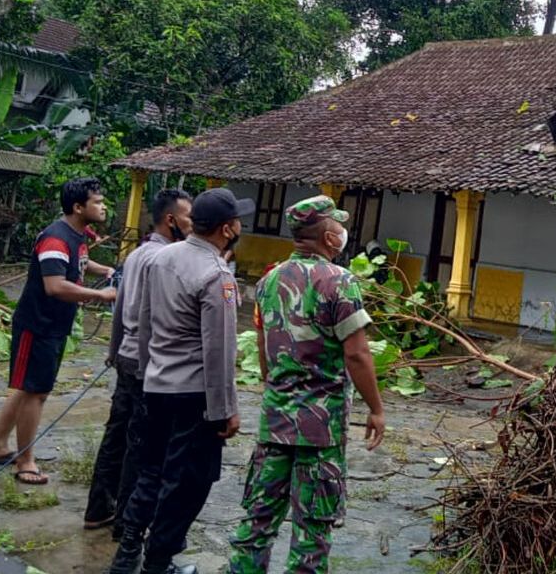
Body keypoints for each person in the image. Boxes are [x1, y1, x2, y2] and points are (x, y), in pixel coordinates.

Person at [228, 195, 386, 574]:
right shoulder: (340, 282)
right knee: (313, 528)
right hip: (321, 428)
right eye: (339, 226)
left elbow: (264, 348)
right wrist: (377, 408)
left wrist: (279, 384)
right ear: (330, 238)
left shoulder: (269, 280)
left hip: (275, 422)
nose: (343, 233)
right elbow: (358, 354)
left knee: (258, 520)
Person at [108, 187, 253, 574]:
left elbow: (143, 322)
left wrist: (142, 373)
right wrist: (227, 410)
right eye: (237, 220)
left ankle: (126, 554)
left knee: (150, 470)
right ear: (227, 228)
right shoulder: (216, 274)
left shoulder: (160, 258)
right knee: (187, 483)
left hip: (155, 385)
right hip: (194, 394)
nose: (240, 224)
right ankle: (158, 562)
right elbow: (219, 350)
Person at [0, 178, 117, 485]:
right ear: (78, 207)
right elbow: (54, 286)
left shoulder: (76, 235)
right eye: (97, 201)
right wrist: (101, 295)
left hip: (53, 325)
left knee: (26, 387)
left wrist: (104, 270)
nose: (103, 206)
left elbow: (78, 261)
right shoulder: (55, 238)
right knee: (36, 393)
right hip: (38, 325)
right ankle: (25, 460)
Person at [84, 188, 193, 534]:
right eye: (189, 217)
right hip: (146, 363)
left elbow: (119, 310)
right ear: (171, 219)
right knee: (140, 445)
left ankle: (98, 508)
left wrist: (114, 351)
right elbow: (148, 317)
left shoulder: (135, 256)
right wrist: (151, 365)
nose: (193, 224)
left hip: (127, 358)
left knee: (116, 436)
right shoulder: (166, 259)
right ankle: (127, 523)